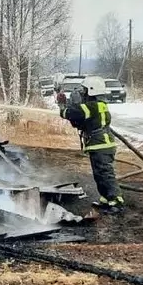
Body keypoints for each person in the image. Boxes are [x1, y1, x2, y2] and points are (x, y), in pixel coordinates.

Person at [56, 76, 124, 214]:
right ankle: (106, 200)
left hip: (102, 146)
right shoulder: (96, 106)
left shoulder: (93, 106)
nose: (82, 93)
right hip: (99, 145)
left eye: (84, 91)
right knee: (99, 175)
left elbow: (70, 114)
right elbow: (78, 121)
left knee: (105, 174)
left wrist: (63, 105)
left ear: (91, 91)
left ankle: (117, 202)